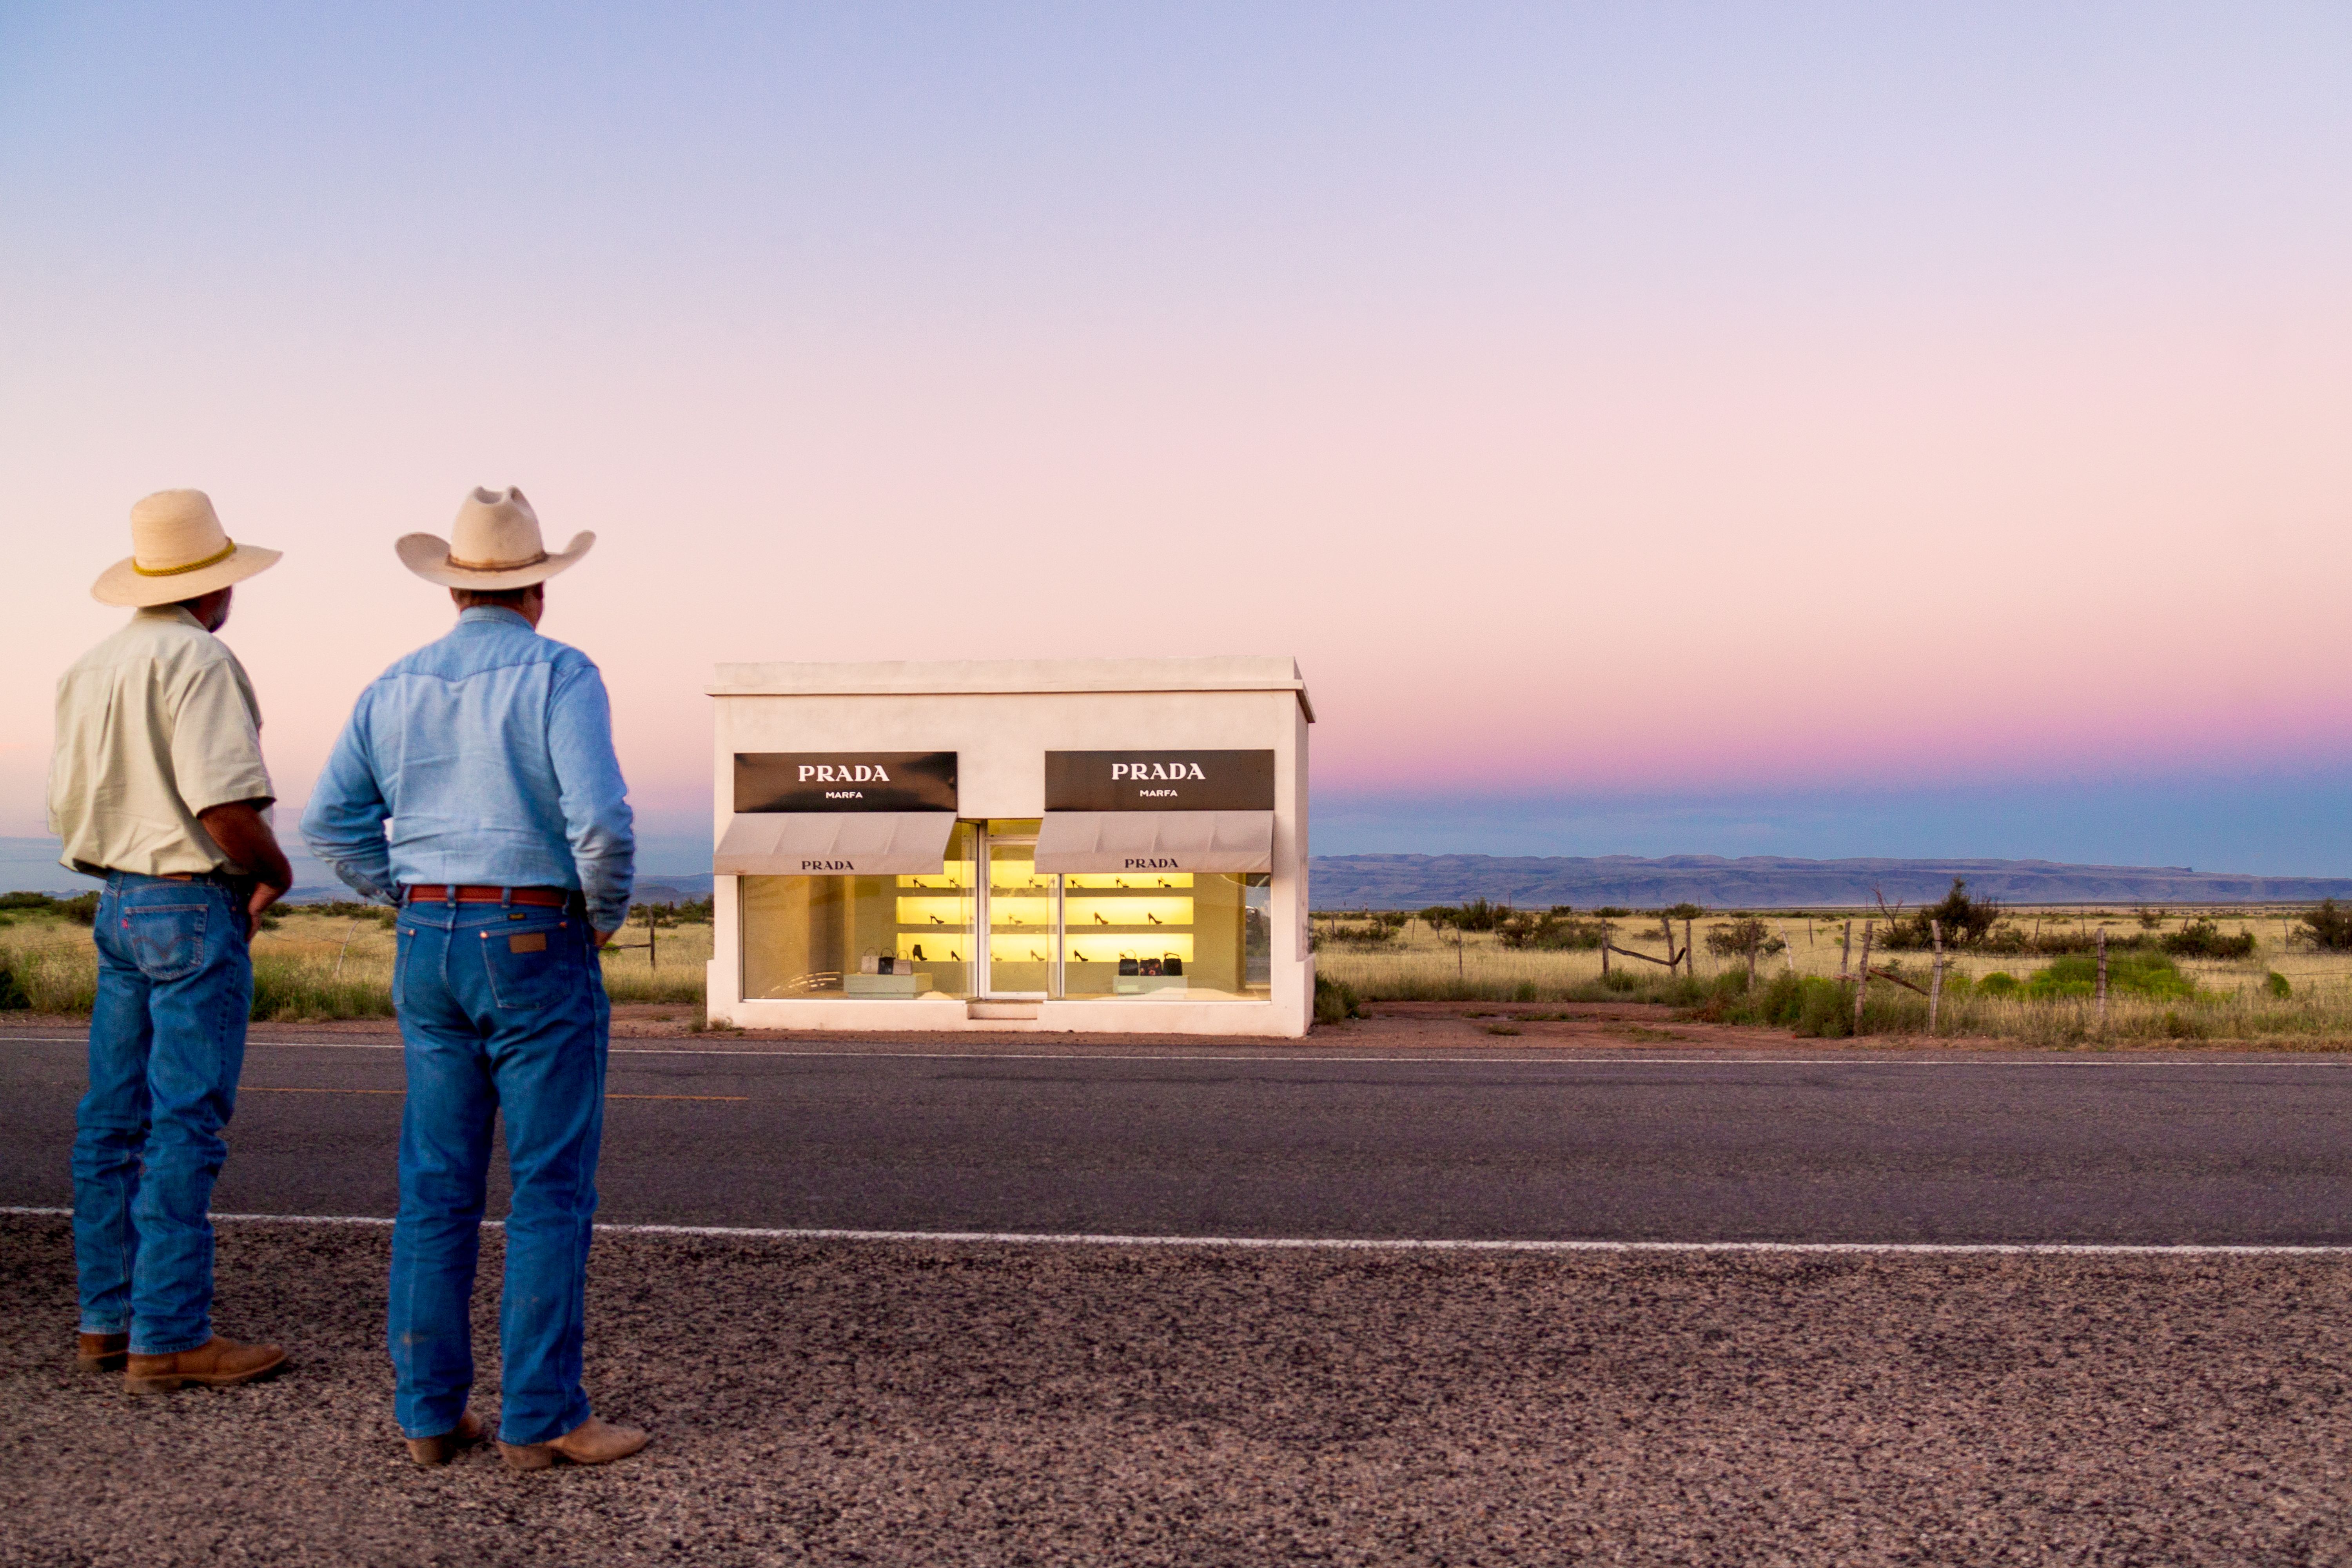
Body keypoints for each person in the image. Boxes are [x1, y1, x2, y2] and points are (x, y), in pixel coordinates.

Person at [300, 486, 644, 1471]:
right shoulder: (560, 672)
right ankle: (541, 1416)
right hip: (533, 932)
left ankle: (428, 1414)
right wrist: (601, 914)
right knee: (547, 1185)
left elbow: (330, 824)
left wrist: (403, 896)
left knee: (437, 1185)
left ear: (453, 588)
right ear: (539, 586)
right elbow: (603, 822)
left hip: (427, 933)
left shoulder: (394, 683)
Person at [50, 489, 294, 1394]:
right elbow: (223, 805)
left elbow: (71, 804)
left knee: (109, 1122)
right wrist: (275, 869)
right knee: (184, 1122)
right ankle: (170, 1335)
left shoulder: (90, 667)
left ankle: (105, 1321)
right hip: (191, 902)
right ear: (214, 585)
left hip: (116, 900)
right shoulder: (203, 660)